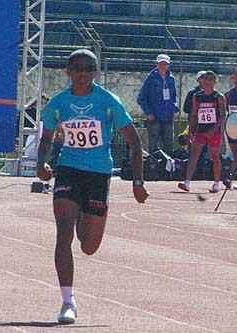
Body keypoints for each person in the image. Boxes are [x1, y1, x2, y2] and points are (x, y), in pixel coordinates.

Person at [36, 49, 149, 324]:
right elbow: (46, 139)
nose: (83, 73)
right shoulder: (58, 104)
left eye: (89, 68)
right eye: (78, 68)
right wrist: (42, 163)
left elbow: (135, 143)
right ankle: (67, 300)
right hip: (69, 171)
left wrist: (137, 182)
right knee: (63, 234)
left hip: (98, 175)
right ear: (68, 72)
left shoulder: (109, 101)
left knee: (88, 246)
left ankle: (85, 216)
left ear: (95, 72)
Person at [178, 70, 226, 193]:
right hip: (200, 130)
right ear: (202, 81)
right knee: (193, 155)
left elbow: (222, 116)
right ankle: (187, 182)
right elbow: (194, 114)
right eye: (205, 79)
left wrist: (214, 129)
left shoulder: (219, 97)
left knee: (215, 156)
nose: (207, 82)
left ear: (215, 82)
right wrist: (190, 130)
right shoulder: (197, 96)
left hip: (214, 132)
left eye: (210, 79)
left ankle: (216, 183)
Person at [137, 54, 179, 155]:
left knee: (169, 144)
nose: (163, 66)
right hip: (154, 117)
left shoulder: (171, 79)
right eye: (161, 64)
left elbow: (173, 96)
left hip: (168, 117)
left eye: (165, 64)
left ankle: (168, 167)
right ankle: (154, 167)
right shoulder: (151, 79)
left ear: (168, 65)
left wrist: (174, 109)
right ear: (157, 64)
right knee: (154, 145)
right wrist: (148, 113)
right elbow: (141, 97)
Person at [224, 68, 237, 189]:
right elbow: (226, 110)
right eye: (236, 76)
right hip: (232, 128)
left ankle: (229, 176)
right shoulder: (228, 95)